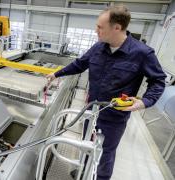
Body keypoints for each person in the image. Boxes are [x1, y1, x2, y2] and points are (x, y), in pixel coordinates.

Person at [46, 5, 166, 180]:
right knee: (87, 145)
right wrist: (57, 73)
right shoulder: (98, 47)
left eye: (100, 27)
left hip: (114, 117)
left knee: (105, 153)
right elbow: (79, 64)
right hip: (91, 110)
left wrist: (144, 102)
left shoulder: (141, 53)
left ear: (117, 27)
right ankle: (84, 171)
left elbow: (158, 81)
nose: (96, 31)